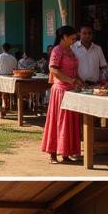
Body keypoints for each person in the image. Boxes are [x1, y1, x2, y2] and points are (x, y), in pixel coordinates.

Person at [41, 25, 82, 164]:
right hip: (60, 91)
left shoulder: (70, 50)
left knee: (70, 122)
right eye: (72, 38)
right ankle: (53, 154)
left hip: (72, 90)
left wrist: (79, 81)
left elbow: (74, 70)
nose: (74, 40)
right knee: (58, 121)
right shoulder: (57, 50)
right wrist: (71, 80)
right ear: (64, 37)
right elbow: (53, 69)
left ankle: (66, 152)